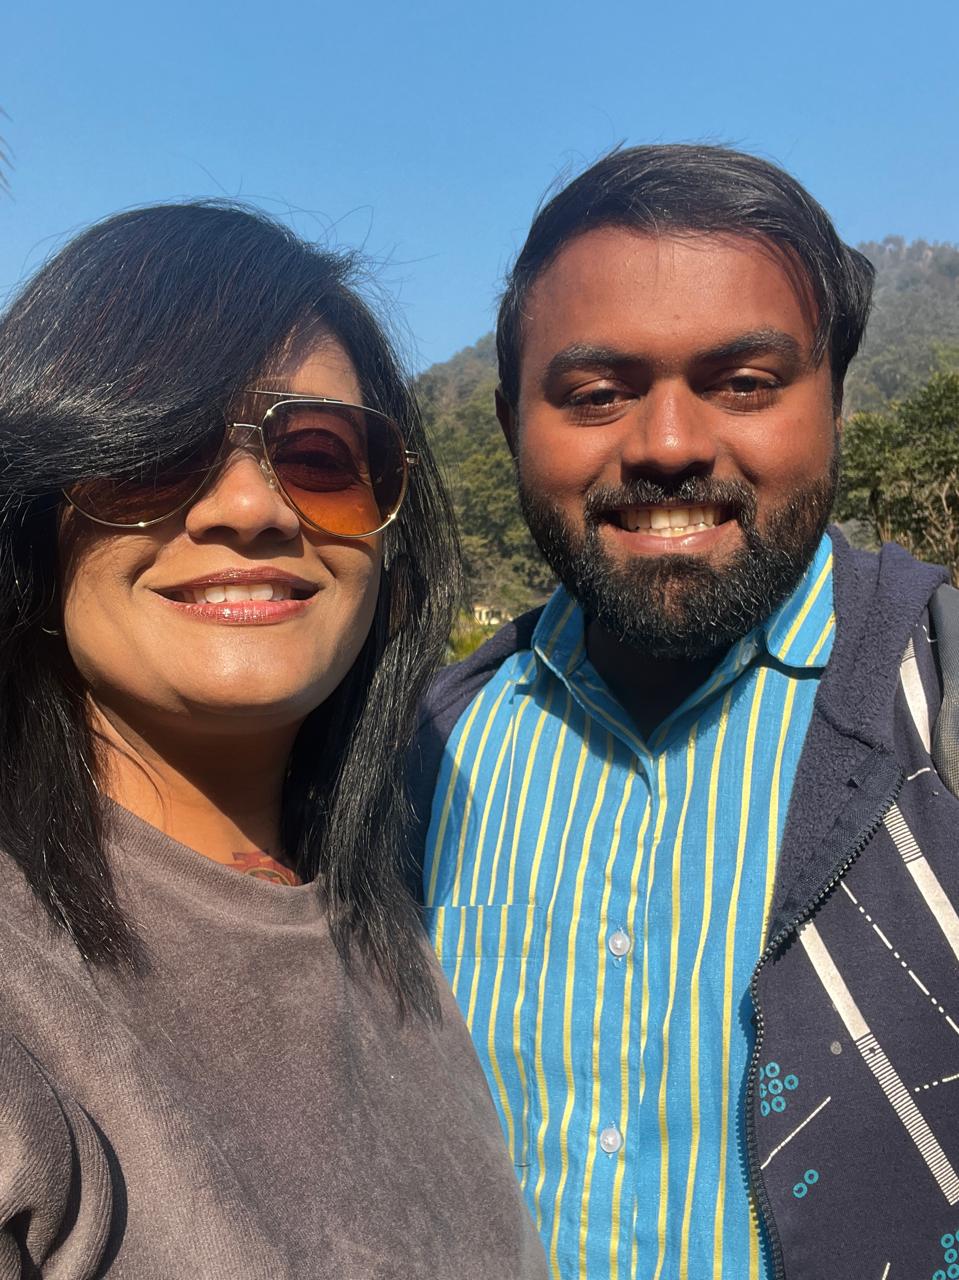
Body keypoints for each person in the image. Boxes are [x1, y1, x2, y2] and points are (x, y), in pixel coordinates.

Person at [409, 145, 959, 1278]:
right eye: (594, 394)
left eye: (744, 383)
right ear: (510, 422)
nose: (666, 445)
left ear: (834, 404)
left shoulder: (938, 706)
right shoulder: (421, 755)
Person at [0, 202, 548, 1279]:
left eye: (320, 457)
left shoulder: (412, 914)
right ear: (31, 511)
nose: (252, 506)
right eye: (159, 450)